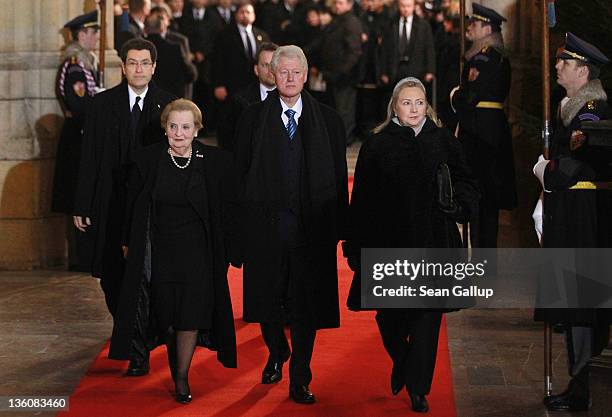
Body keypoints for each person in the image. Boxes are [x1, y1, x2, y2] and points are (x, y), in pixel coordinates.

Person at [344, 77, 479, 413]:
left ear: (427, 105)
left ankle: (419, 387)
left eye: (419, 102)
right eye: (407, 103)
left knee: (427, 318)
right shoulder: (378, 144)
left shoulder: (442, 139)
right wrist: (356, 246)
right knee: (388, 317)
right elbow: (362, 198)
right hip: (390, 242)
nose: (414, 109)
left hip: (435, 242)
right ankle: (403, 361)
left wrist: (459, 205)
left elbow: (466, 180)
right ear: (395, 107)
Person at [234, 45, 349, 404]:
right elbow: (238, 177)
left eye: (295, 72)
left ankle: (300, 375)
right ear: (271, 74)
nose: (288, 78)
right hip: (265, 230)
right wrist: (237, 231)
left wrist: (339, 230)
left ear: (306, 74)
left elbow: (337, 176)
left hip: (310, 231)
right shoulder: (252, 118)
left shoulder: (328, 120)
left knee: (306, 308)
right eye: (281, 72)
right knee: (266, 303)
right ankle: (276, 351)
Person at [109, 99, 239, 404]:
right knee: (166, 318)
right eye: (173, 126)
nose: (179, 133)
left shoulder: (217, 162)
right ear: (165, 128)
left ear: (196, 130)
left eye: (185, 127)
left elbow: (230, 210)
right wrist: (128, 241)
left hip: (198, 255)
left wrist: (232, 249)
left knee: (189, 317)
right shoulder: (147, 160)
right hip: (161, 253)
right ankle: (173, 364)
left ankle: (181, 377)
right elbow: (132, 208)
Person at [73, 38, 176, 377]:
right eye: (132, 63)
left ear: (154, 66)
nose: (138, 69)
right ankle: (131, 332)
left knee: (146, 277)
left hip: (151, 208)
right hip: (110, 204)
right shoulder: (102, 105)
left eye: (144, 63)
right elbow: (88, 158)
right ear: (123, 66)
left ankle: (138, 346)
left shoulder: (169, 105)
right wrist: (82, 203)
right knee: (112, 278)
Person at [532, 33, 612, 412]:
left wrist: (548, 169)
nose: (557, 66)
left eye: (565, 62)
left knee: (582, 300)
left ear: (583, 70)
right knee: (573, 297)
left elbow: (580, 161)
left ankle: (583, 384)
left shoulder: (591, 108)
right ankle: (579, 382)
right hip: (572, 211)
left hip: (585, 215)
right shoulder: (571, 104)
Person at [450, 3, 516, 248]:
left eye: (474, 24)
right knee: (486, 204)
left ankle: (482, 261)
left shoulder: (483, 58)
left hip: (480, 133)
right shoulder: (495, 56)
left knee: (480, 200)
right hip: (490, 130)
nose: (469, 28)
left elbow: (468, 97)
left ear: (487, 28)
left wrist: (455, 96)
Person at [52, 11, 100, 271]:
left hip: (85, 135)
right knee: (77, 194)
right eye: (94, 34)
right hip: (77, 137)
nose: (97, 38)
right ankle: (80, 256)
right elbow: (79, 105)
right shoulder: (74, 66)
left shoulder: (85, 63)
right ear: (82, 34)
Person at [314, 0, 362, 145]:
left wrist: (342, 71)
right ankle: (337, 138)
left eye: (341, 3)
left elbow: (354, 52)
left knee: (344, 110)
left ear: (349, 5)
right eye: (336, 3)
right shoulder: (338, 21)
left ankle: (344, 139)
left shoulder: (351, 22)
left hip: (344, 77)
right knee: (335, 109)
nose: (337, 6)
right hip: (332, 75)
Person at [217, 41, 279, 153]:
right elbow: (227, 139)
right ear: (256, 69)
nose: (271, 71)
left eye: (274, 65)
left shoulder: (295, 99)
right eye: (266, 65)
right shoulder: (240, 101)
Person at [380, 0, 435, 90]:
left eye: (408, 6)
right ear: (398, 6)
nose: (406, 9)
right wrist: (383, 72)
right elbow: (384, 49)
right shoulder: (391, 24)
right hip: (395, 70)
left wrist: (430, 70)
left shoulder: (423, 25)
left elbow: (429, 48)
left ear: (414, 6)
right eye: (403, 6)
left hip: (416, 70)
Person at [145, 14, 197, 98]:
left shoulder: (138, 49)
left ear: (145, 28)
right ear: (162, 28)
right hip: (171, 99)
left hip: (146, 99)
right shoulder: (174, 48)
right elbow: (191, 74)